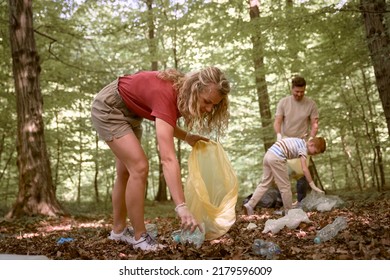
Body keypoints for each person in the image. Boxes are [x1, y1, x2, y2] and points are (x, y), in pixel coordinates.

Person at [91, 66, 230, 251]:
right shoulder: (166, 93)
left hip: (131, 113)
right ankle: (140, 238)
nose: (209, 108)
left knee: (125, 172)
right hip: (109, 106)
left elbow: (167, 122)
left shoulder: (181, 94)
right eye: (207, 101)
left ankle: (118, 231)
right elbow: (168, 158)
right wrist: (181, 206)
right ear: (195, 88)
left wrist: (186, 137)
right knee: (139, 167)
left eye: (214, 105)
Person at [243, 137, 326, 216]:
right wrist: (312, 185)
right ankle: (288, 211)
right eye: (315, 152)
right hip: (277, 157)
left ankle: (250, 205)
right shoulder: (304, 149)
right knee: (285, 187)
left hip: (268, 154)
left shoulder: (301, 141)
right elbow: (304, 169)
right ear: (311, 144)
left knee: (264, 183)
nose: (313, 155)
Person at [273, 75, 319, 204]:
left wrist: (311, 138)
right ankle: (280, 202)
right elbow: (277, 121)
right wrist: (278, 135)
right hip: (286, 141)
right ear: (291, 89)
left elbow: (314, 123)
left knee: (302, 174)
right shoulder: (284, 102)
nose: (299, 94)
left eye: (302, 92)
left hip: (301, 141)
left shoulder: (311, 104)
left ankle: (301, 202)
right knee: (283, 173)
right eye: (296, 92)